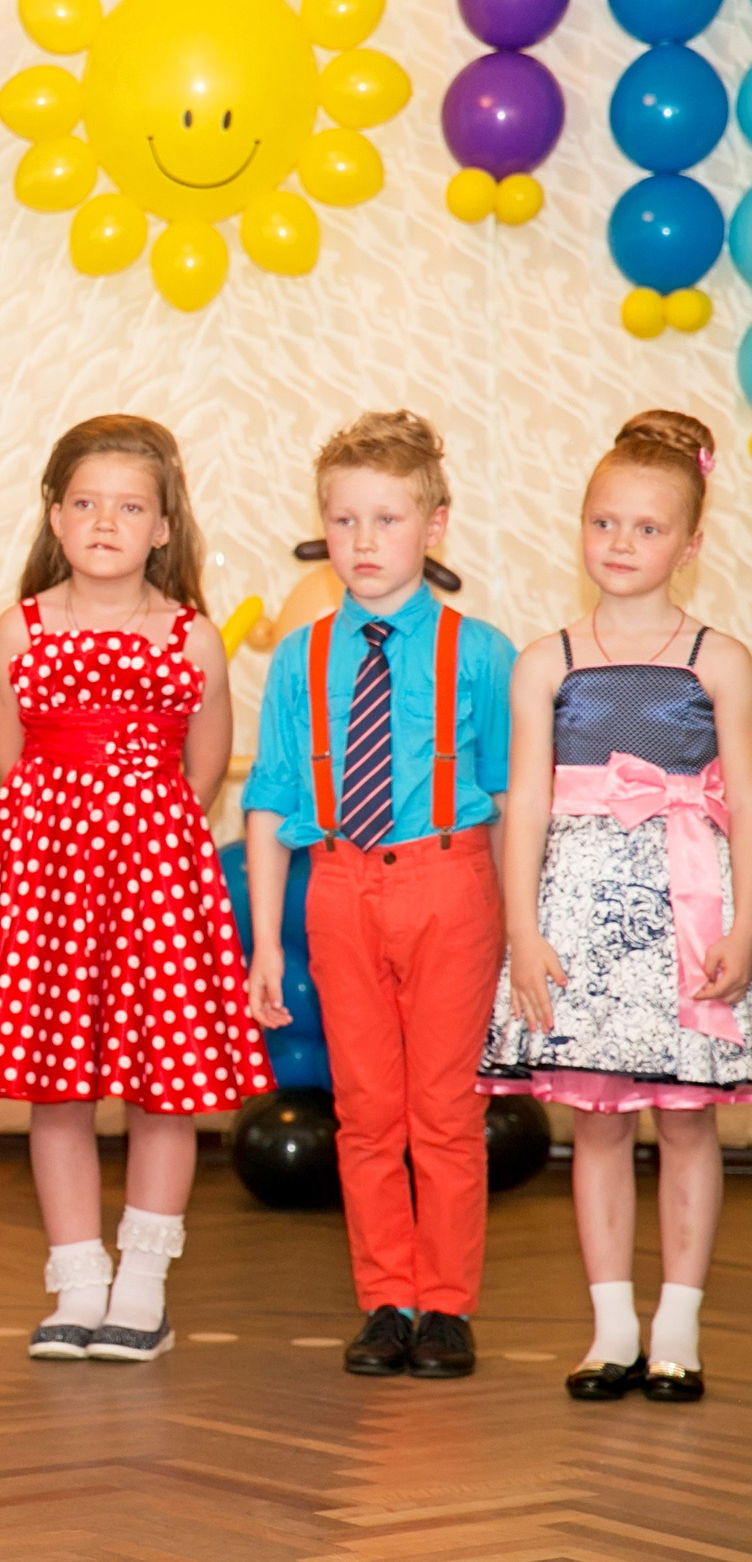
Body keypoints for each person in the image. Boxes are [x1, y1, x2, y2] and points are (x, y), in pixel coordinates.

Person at [0, 416, 260, 1364]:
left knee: (166, 1089)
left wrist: (136, 833)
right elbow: (8, 754)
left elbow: (203, 771)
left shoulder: (191, 638)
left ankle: (142, 1288)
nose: (106, 522)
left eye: (130, 507)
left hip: (156, 880)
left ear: (164, 526)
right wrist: (67, 827)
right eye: (85, 503)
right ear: (54, 514)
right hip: (46, 883)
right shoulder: (20, 629)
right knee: (57, 1086)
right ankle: (77, 1278)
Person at [483, 410, 752, 1404]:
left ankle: (676, 1327)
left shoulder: (719, 659)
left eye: (645, 527)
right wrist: (520, 929)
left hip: (688, 915)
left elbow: (748, 807)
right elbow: (525, 809)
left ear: (688, 543)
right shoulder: (544, 660)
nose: (620, 544)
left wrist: (745, 923)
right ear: (580, 527)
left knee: (685, 1125)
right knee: (593, 1128)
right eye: (604, 522)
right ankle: (610, 1330)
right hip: (577, 921)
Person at [243, 410, 517, 1381]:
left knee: (442, 1108)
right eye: (344, 519)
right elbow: (272, 797)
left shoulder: (481, 651)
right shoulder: (299, 656)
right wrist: (266, 946)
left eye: (386, 518)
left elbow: (517, 797)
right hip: (338, 887)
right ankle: (385, 1298)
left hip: (449, 881)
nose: (363, 540)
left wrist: (523, 928)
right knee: (365, 1112)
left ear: (433, 525)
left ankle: (444, 1303)